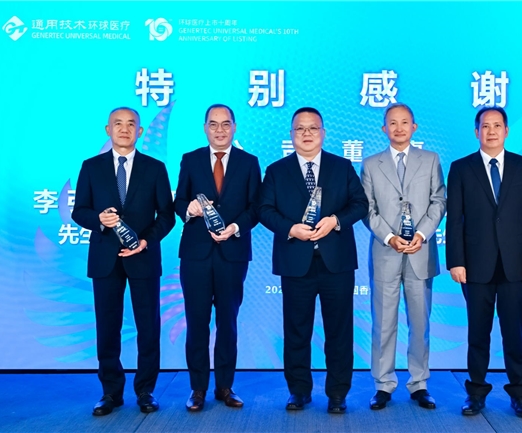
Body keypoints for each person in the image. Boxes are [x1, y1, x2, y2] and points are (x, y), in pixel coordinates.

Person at [257, 107, 368, 414]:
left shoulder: (341, 166)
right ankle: (299, 391)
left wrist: (335, 220)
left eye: (313, 128)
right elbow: (264, 210)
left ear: (323, 133)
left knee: (339, 331)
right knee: (296, 331)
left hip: (336, 262)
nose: (306, 134)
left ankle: (337, 393)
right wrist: (290, 228)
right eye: (300, 129)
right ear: (291, 134)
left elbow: (360, 204)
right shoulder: (277, 171)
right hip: (295, 262)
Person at [72, 107, 175, 416]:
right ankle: (111, 392)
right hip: (105, 258)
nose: (124, 129)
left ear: (140, 132)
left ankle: (145, 390)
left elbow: (167, 216)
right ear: (108, 130)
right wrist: (99, 220)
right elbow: (79, 211)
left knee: (148, 326)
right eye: (118, 124)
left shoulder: (155, 168)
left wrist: (145, 241)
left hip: (143, 257)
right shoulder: (91, 167)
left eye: (131, 124)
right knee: (107, 326)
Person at [446, 106, 522, 418]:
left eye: (497, 125)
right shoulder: (461, 168)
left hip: (516, 265)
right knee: (478, 333)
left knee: (514, 333)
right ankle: (475, 393)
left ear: (506, 131)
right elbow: (454, 220)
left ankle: (519, 394)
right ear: (476, 132)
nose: (491, 131)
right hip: (475, 265)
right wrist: (456, 261)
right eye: (485, 126)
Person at [174, 104, 261, 412]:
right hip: (196, 254)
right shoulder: (191, 159)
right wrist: (189, 209)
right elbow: (178, 201)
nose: (220, 130)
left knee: (228, 322)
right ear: (205, 128)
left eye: (226, 124)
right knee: (197, 322)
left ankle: (225, 385)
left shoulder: (249, 162)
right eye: (214, 124)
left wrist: (235, 227)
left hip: (232, 253)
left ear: (234, 127)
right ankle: (197, 388)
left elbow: (256, 207)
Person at [360, 103, 446, 410]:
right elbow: (367, 208)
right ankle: (383, 384)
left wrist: (421, 234)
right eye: (392, 123)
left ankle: (419, 383)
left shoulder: (430, 159)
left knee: (420, 323)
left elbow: (439, 201)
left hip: (421, 253)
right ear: (384, 129)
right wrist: (389, 237)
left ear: (414, 127)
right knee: (383, 323)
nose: (399, 128)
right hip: (386, 252)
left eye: (404, 122)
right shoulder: (371, 164)